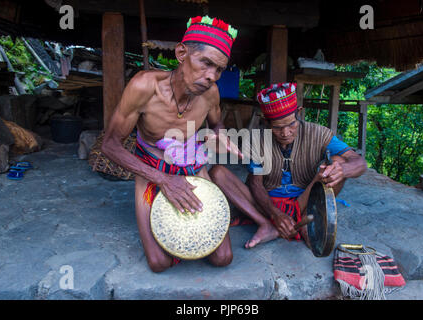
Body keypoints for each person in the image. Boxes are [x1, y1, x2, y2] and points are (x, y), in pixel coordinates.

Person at [101, 16, 241, 272]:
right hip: (152, 169)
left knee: (222, 257)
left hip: (191, 166)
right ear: (181, 53)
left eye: (219, 69)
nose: (212, 76)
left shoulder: (211, 94)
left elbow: (216, 124)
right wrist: (163, 179)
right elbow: (110, 145)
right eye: (206, 63)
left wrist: (218, 136)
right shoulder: (144, 87)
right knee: (159, 263)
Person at [209, 82, 367, 249]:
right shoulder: (258, 140)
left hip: (305, 201)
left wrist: (342, 171)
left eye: (291, 124)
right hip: (267, 204)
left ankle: (307, 220)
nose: (285, 133)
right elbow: (256, 184)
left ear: (299, 113)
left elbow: (358, 162)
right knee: (218, 172)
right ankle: (267, 224)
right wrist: (275, 214)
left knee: (339, 162)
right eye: (277, 128)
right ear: (266, 122)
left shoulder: (318, 133)